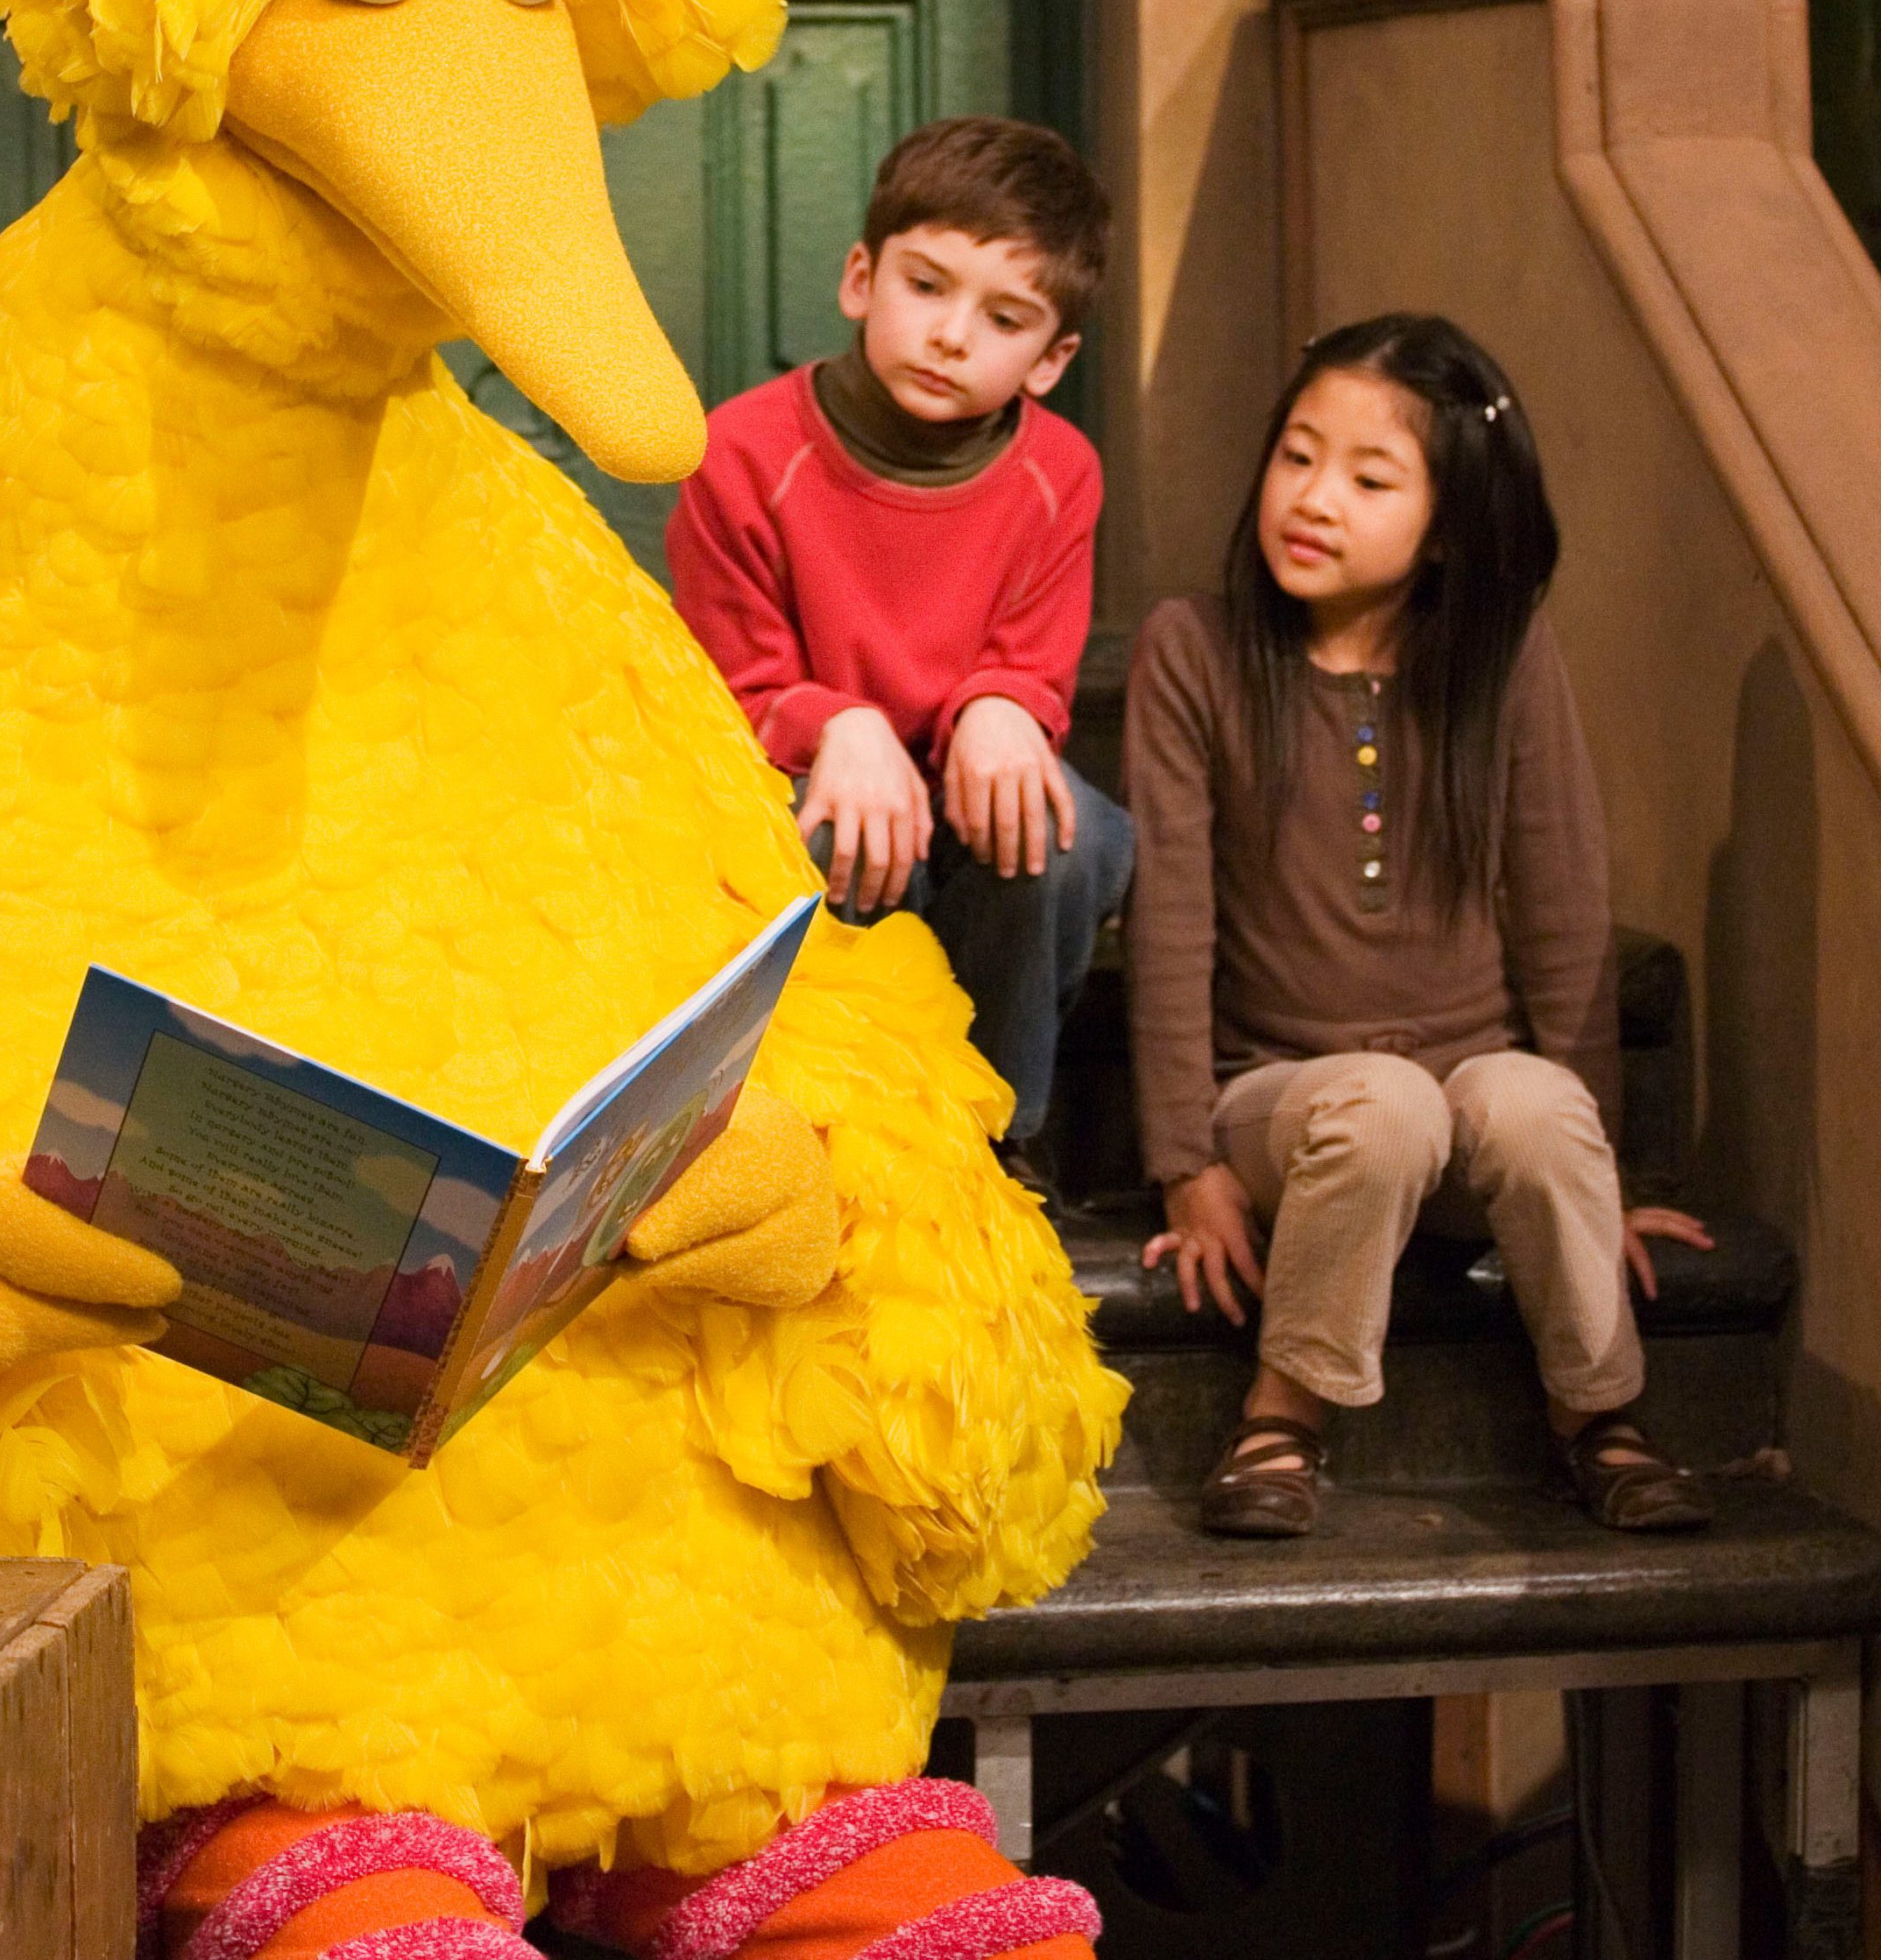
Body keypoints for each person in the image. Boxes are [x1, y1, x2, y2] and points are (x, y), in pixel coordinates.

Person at [1123, 314, 1715, 1537]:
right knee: (1380, 1105)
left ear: (1446, 527)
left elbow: (1563, 906)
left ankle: (1599, 1414)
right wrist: (1188, 1162)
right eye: (1297, 454)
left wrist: (1602, 1183)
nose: (1313, 496)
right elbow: (1168, 918)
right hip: (1283, 1100)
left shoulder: (1504, 658)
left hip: (1468, 1096)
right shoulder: (1197, 651)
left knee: (1532, 1105)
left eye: (1368, 475)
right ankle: (1284, 1414)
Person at [668, 115, 1135, 1192]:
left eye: (1004, 316)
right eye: (926, 288)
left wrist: (1002, 703)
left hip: (965, 806)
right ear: (860, 278)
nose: (952, 335)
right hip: (806, 792)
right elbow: (734, 690)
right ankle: (839, 1137)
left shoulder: (1060, 472)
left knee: (1065, 836)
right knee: (829, 834)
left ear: (1053, 358)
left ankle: (996, 1142)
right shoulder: (741, 452)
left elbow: (1033, 670)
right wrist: (839, 722)